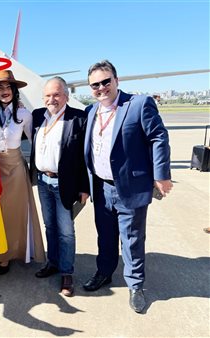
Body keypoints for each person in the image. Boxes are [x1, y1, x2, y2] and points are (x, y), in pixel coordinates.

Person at [83, 60, 173, 313]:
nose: (101, 88)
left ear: (116, 80)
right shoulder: (91, 111)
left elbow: (158, 137)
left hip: (129, 187)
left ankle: (135, 285)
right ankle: (104, 272)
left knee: (132, 239)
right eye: (95, 85)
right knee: (105, 235)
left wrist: (161, 174)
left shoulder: (138, 104)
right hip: (101, 187)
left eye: (105, 81)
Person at [0, 70, 45, 274]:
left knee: (12, 214)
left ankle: (7, 256)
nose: (5, 91)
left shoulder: (25, 114)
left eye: (8, 87)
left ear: (15, 90)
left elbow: (37, 142)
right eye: (0, 87)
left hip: (15, 168)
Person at [30, 77, 89, 297]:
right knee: (50, 226)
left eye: (56, 94)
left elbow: (85, 156)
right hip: (43, 182)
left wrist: (85, 187)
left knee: (66, 231)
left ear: (66, 95)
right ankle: (52, 263)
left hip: (65, 183)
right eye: (47, 95)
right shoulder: (38, 116)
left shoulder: (77, 117)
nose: (51, 99)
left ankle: (67, 273)